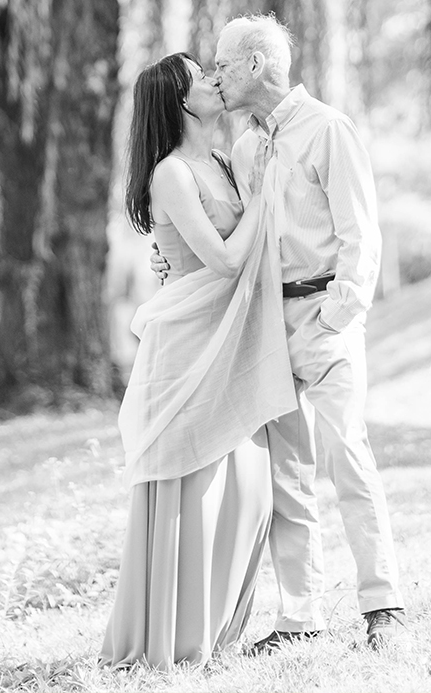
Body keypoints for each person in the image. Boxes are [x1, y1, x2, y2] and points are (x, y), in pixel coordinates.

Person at [153, 14, 407, 653]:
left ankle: (384, 605)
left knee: (347, 454)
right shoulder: (241, 148)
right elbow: (224, 231)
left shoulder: (327, 129)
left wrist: (337, 315)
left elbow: (361, 234)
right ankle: (301, 617)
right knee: (286, 474)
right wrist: (168, 257)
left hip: (323, 317)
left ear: (258, 65)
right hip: (267, 324)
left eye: (225, 65)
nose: (216, 76)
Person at [101, 52, 295, 668]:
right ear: (179, 101)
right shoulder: (171, 175)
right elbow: (225, 259)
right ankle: (176, 638)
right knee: (195, 484)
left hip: (227, 340)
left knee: (248, 486)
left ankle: (217, 629)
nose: (215, 81)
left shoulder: (217, 158)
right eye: (201, 78)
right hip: (187, 350)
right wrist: (263, 197)